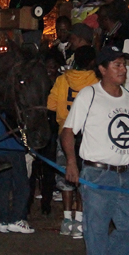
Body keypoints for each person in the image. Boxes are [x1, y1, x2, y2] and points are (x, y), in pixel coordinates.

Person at [61, 44, 129, 255]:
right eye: (117, 65)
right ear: (102, 69)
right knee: (96, 232)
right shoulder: (89, 95)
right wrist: (72, 162)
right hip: (97, 174)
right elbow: (67, 131)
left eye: (123, 64)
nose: (123, 69)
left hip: (126, 174)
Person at [47, 45, 98, 238]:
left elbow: (51, 104)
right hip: (87, 137)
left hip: (65, 133)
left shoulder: (62, 79)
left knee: (66, 176)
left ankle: (66, 219)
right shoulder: (95, 82)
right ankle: (80, 220)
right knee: (83, 177)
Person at [0, 116, 35, 234]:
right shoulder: (13, 108)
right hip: (14, 149)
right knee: (22, 186)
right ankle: (16, 219)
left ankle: (3, 221)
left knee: (4, 185)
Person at [94, 0, 129, 95]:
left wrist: (125, 94)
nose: (97, 22)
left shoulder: (125, 39)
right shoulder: (107, 37)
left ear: (106, 19)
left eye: (99, 18)